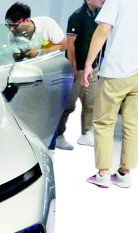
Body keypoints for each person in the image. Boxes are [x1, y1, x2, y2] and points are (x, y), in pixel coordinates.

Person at [82, 0, 138, 188]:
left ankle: (103, 174)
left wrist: (88, 64)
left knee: (104, 123)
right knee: (133, 124)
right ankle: (124, 174)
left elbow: (103, 30)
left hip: (116, 71)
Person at [52, 0, 105, 151]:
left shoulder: (98, 15)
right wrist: (73, 67)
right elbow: (70, 44)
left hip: (92, 67)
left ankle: (86, 133)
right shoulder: (77, 16)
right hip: (78, 67)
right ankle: (58, 135)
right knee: (68, 104)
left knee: (91, 102)